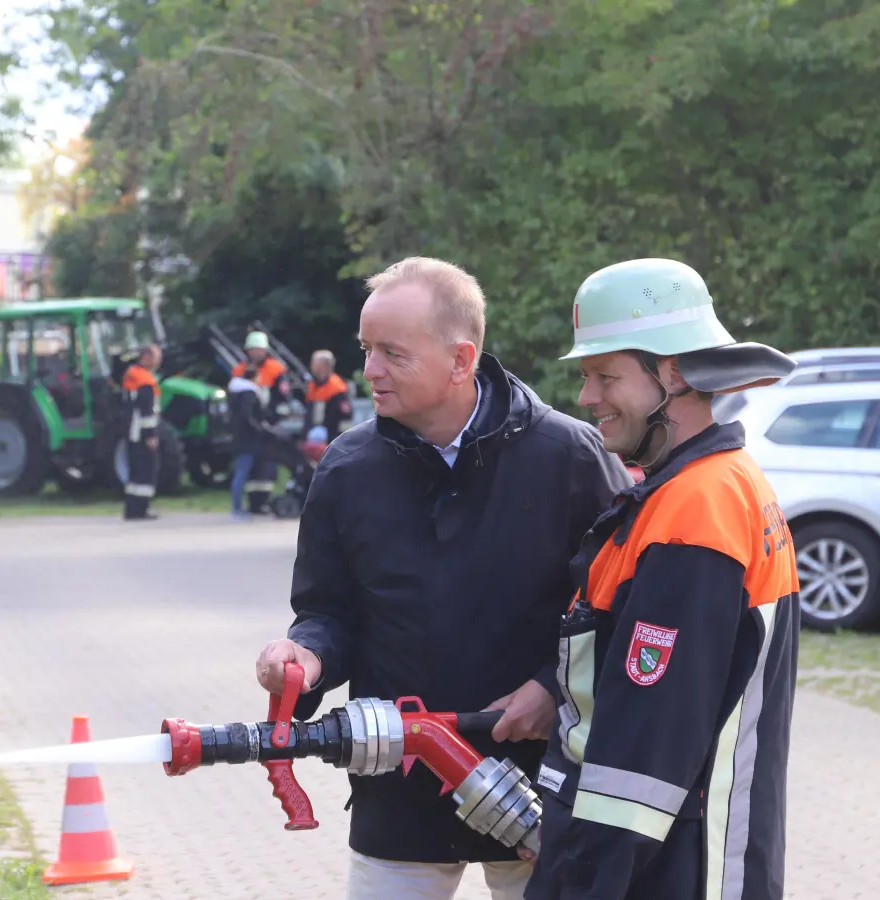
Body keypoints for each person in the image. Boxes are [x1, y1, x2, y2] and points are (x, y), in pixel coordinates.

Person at [254, 257, 631, 900]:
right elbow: (327, 612)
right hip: (397, 785)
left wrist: (550, 687)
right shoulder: (346, 468)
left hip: (536, 780)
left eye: (392, 353)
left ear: (461, 360)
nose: (369, 370)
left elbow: (617, 605)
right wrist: (305, 656)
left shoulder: (569, 458)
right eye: (366, 349)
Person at [523, 258, 800, 900]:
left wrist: (588, 878)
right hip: (679, 849)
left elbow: (648, 743)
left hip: (676, 864)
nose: (587, 396)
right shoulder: (696, 488)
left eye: (604, 375)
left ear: (673, 373)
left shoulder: (695, 510)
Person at [231, 331, 295, 513]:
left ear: (265, 350)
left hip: (268, 424)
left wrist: (274, 423)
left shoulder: (276, 369)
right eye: (252, 350)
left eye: (258, 349)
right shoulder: (239, 370)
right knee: (251, 467)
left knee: (267, 464)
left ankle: (262, 502)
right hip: (250, 426)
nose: (255, 353)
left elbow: (283, 398)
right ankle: (253, 503)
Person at [121, 343, 163, 521]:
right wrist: (150, 435)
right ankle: (141, 509)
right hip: (140, 431)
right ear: (145, 357)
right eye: (155, 357)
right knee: (146, 469)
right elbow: (146, 410)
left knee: (135, 471)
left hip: (131, 429)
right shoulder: (144, 379)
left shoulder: (131, 374)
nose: (157, 361)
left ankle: (131, 508)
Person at [305, 349, 356, 443]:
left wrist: (339, 441)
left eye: (314, 364)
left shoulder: (337, 388)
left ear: (325, 366)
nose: (312, 367)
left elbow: (346, 418)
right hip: (313, 438)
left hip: (331, 440)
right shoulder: (313, 385)